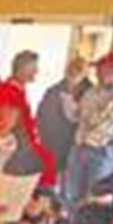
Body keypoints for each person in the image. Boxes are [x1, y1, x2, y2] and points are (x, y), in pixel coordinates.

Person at [64, 52, 113, 224]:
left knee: (95, 197)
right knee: (72, 195)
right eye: (98, 69)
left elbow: (103, 120)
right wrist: (69, 95)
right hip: (79, 147)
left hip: (101, 151)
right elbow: (75, 117)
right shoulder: (91, 92)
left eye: (102, 69)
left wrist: (112, 153)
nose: (97, 73)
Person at [36, 56, 91, 196]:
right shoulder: (53, 90)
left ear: (86, 72)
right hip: (50, 145)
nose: (74, 71)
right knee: (47, 186)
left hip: (76, 148)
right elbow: (41, 115)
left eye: (79, 69)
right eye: (71, 67)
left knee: (69, 189)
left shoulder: (91, 93)